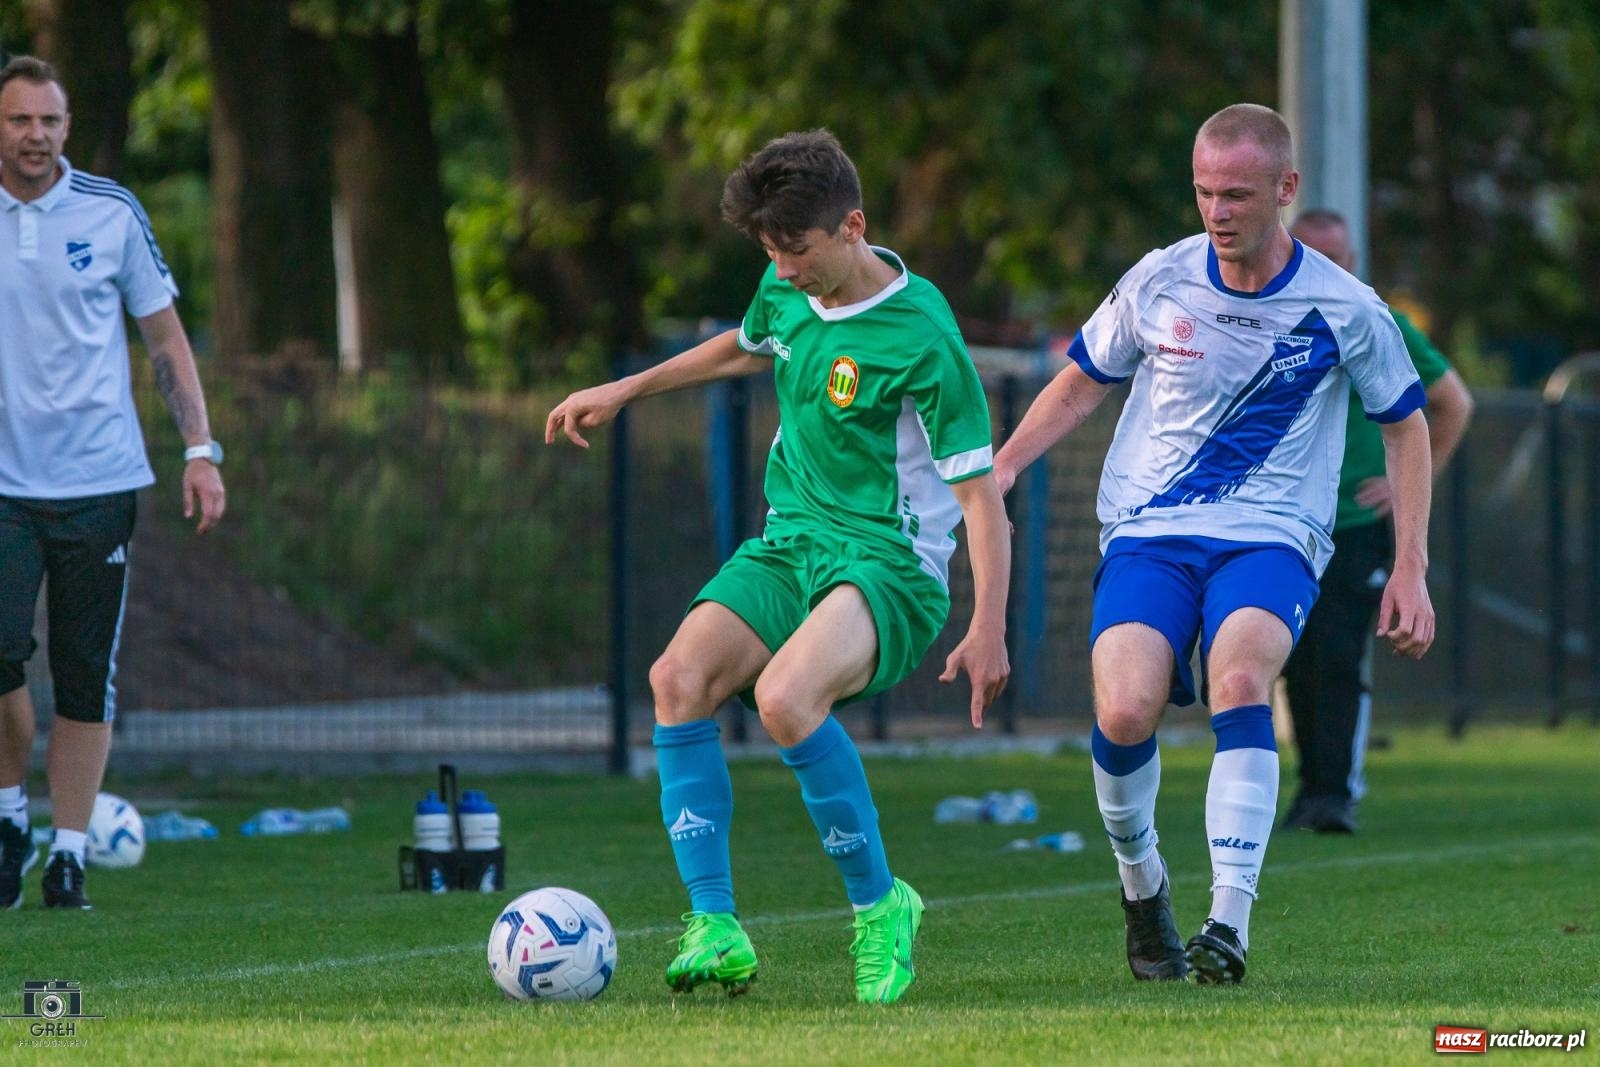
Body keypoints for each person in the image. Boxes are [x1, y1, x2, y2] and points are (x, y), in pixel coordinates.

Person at [545, 129, 1009, 1004]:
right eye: (770, 252)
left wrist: (986, 627)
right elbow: (743, 344)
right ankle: (715, 926)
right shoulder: (786, 281)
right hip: (793, 538)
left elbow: (984, 500)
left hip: (891, 563)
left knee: (787, 699)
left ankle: (882, 906)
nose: (783, 270)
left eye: (796, 252)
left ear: (852, 226)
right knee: (677, 676)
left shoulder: (923, 334)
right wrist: (623, 390)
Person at [991, 104, 1435, 985]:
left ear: (1285, 189)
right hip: (1150, 534)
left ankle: (1228, 919)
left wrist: (1412, 565)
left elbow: (1407, 426)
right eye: (1203, 192)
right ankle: (1143, 889)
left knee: (1241, 680)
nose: (1218, 210)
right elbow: (1080, 386)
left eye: (1236, 192)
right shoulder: (1158, 280)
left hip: (1273, 537)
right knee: (1123, 712)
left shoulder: (1345, 306)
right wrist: (1002, 468)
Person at [0, 56, 226, 910]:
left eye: (50, 122)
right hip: (3, 487)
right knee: (0, 651)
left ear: (67, 127)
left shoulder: (111, 210)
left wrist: (201, 449)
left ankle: (66, 853)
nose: (37, 137)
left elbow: (165, 342)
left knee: (86, 672)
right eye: (21, 121)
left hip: (98, 483)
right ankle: (6, 814)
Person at [1280, 209, 1472, 834]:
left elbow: (1450, 403)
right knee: (1288, 659)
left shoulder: (1373, 319)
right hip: (1280, 524)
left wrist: (1407, 483)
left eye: (1338, 258)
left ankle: (1334, 792)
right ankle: (1306, 789)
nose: (1327, 269)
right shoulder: (1265, 315)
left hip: (1353, 524)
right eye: (1313, 254)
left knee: (1337, 656)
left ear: (1354, 263)